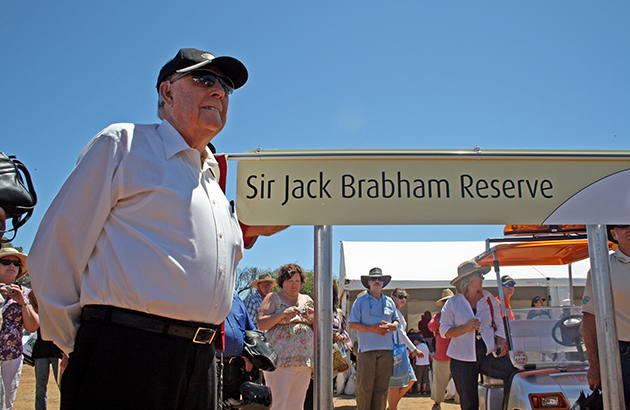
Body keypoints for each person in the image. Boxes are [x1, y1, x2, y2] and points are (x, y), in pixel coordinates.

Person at [27, 47, 272, 410]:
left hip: (202, 361)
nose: (219, 91)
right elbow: (55, 247)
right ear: (167, 91)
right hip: (123, 354)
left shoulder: (213, 182)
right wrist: (82, 344)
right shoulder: (124, 144)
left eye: (226, 86)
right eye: (205, 79)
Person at [440, 260, 516, 410]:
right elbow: (444, 332)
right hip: (462, 359)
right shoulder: (452, 303)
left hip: (487, 355)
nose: (483, 278)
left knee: (513, 372)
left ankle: (506, 407)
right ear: (468, 279)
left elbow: (500, 327)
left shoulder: (489, 299)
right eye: (479, 274)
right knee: (469, 404)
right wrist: (465, 328)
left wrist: (500, 344)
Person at [583, 224, 630, 406]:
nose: (629, 229)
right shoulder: (601, 268)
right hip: (622, 355)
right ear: (613, 233)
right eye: (623, 225)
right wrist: (594, 366)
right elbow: (589, 318)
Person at [257, 263, 314, 410]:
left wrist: (313, 316)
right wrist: (282, 314)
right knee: (278, 403)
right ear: (282, 282)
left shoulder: (307, 299)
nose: (294, 285)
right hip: (280, 362)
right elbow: (261, 324)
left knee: (297, 404)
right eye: (290, 281)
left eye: (297, 281)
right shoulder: (273, 297)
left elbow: (318, 326)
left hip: (304, 362)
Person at [348, 267, 400, 410]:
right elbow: (352, 324)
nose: (377, 281)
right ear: (368, 282)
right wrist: (372, 328)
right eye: (374, 279)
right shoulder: (360, 302)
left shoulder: (390, 301)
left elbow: (397, 321)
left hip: (387, 350)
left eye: (380, 279)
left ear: (383, 283)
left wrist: (392, 326)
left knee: (382, 388)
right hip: (366, 350)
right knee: (364, 387)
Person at [0, 247, 39, 410]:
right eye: (6, 262)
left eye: (16, 263)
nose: (12, 266)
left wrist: (23, 302)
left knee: (6, 404)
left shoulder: (26, 293)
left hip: (12, 356)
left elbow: (32, 327)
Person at [218, 291, 259, 404]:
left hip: (236, 368)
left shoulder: (236, 298)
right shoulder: (206, 296)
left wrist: (249, 358)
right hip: (211, 365)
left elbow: (251, 331)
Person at [387, 288, 422, 410]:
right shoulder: (392, 312)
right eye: (400, 296)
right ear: (393, 297)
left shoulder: (398, 313)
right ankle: (392, 407)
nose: (404, 299)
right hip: (394, 349)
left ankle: (391, 407)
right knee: (395, 384)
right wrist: (413, 349)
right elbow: (400, 333)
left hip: (400, 349)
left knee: (410, 380)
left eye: (405, 297)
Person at [428, 288, 459, 410]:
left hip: (457, 353)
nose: (447, 303)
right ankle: (437, 403)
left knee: (461, 381)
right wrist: (443, 319)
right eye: (445, 301)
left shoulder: (458, 315)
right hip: (442, 354)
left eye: (449, 301)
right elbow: (431, 327)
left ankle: (461, 403)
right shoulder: (437, 316)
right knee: (439, 381)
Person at [32, 328, 63, 410]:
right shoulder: (40, 314)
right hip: (41, 349)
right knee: (40, 387)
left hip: (59, 350)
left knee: (63, 386)